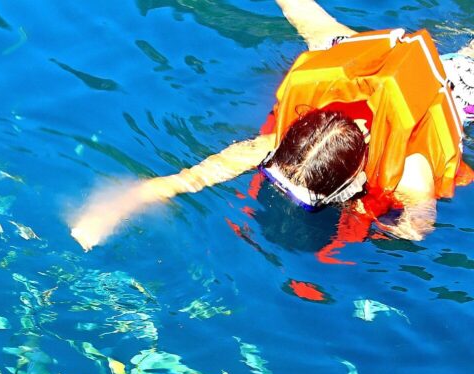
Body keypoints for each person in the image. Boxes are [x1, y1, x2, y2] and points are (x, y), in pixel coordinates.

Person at [69, 0, 474, 257]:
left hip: (462, 97)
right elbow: (176, 183)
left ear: (349, 185)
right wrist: (102, 216)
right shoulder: (333, 50)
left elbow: (420, 224)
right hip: (398, 70)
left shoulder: (410, 171)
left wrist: (400, 228)